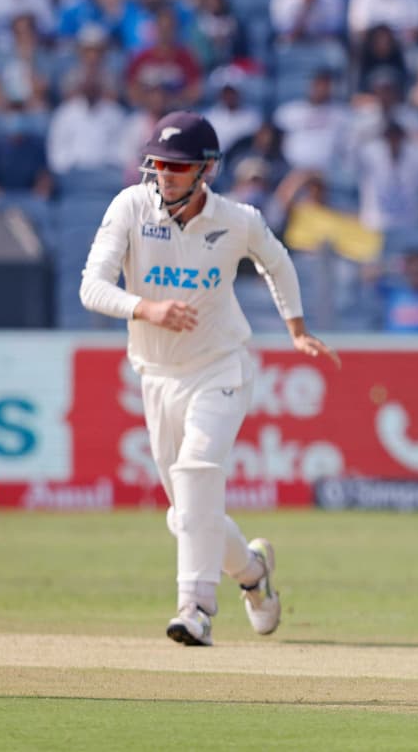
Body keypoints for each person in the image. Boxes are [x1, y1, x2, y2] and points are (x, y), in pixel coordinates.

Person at [79, 110, 339, 646]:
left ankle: (195, 608)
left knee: (199, 470)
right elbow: (92, 287)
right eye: (160, 165)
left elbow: (278, 261)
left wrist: (296, 328)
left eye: (178, 167)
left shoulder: (236, 219)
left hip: (220, 365)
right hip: (156, 374)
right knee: (187, 515)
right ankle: (252, 572)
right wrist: (145, 309)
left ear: (206, 171)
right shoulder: (130, 206)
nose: (166, 176)